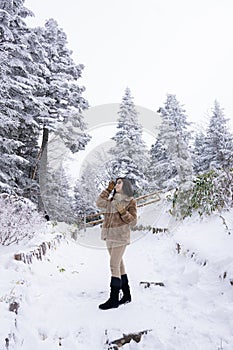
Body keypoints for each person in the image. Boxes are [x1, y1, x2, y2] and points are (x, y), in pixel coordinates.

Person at [96, 177, 137, 310]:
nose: (116, 184)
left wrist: (123, 212)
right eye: (116, 182)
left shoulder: (130, 201)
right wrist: (108, 189)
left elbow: (133, 222)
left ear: (125, 185)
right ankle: (126, 295)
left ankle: (114, 299)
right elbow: (98, 202)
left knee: (114, 265)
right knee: (119, 265)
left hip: (120, 237)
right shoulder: (111, 200)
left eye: (119, 182)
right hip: (109, 236)